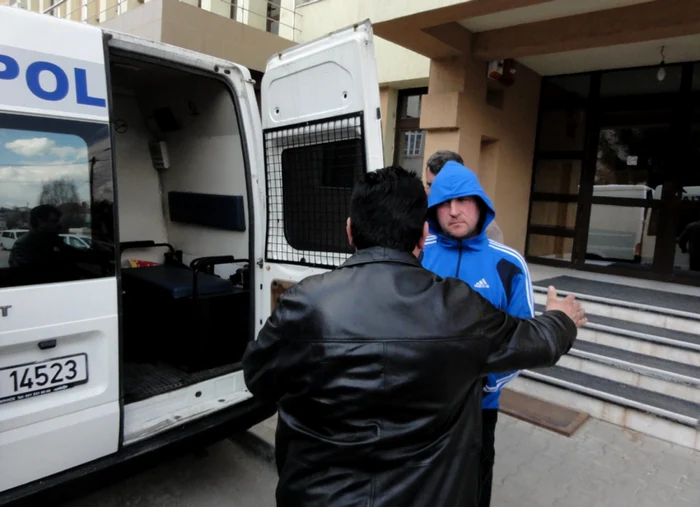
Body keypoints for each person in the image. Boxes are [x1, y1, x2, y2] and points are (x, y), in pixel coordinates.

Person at [242, 166, 586, 507]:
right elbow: (537, 341)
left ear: (349, 231)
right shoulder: (461, 308)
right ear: (423, 235)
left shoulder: (303, 302)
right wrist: (562, 318)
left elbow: (258, 378)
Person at [421, 160, 534, 507]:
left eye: (463, 201)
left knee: (474, 489)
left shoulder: (508, 263)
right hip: (423, 405)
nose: (454, 212)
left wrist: (489, 383)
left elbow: (524, 338)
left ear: (480, 203)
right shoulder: (417, 255)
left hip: (480, 408)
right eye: (443, 203)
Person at [425, 150, 504, 243]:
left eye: (439, 187)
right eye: (429, 185)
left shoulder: (489, 230)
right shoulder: (422, 221)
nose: (432, 192)